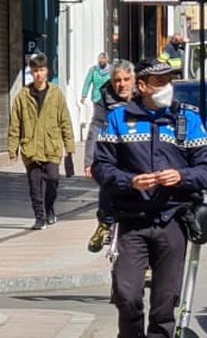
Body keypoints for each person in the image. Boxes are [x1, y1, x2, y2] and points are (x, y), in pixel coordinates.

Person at [93, 59, 207, 338]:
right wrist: (128, 181)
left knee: (165, 302)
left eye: (168, 80)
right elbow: (102, 166)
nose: (165, 87)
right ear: (141, 86)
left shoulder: (186, 119)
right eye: (158, 81)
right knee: (127, 295)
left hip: (172, 220)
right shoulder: (118, 119)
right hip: (131, 220)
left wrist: (183, 177)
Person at [8, 53, 75, 231]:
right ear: (31, 72)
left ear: (47, 71)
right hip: (30, 148)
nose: (39, 74)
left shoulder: (56, 94)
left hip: (52, 146)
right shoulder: (22, 96)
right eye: (35, 70)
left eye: (42, 70)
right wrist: (12, 148)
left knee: (53, 179)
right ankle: (39, 217)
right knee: (34, 184)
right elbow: (15, 123)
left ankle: (49, 208)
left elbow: (65, 121)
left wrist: (70, 147)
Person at [86, 60, 137, 252]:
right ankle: (105, 224)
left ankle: (148, 262)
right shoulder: (105, 100)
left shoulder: (143, 98)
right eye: (117, 80)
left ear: (133, 79)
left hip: (139, 154)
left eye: (126, 79)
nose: (122, 84)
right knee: (107, 179)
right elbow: (95, 128)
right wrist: (89, 161)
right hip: (114, 153)